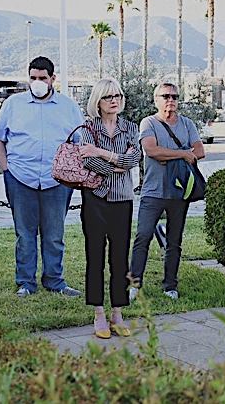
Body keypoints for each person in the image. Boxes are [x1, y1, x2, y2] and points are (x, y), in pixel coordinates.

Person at [0, 56, 83, 297]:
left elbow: (80, 142)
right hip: (21, 178)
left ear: (53, 79)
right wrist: (6, 169)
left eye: (42, 78)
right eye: (33, 78)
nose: (37, 82)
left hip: (57, 181)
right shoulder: (13, 104)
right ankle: (25, 283)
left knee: (54, 235)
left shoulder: (69, 106)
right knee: (24, 234)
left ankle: (54, 280)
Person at [76, 78, 141, 338]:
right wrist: (116, 163)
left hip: (122, 199)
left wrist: (105, 155)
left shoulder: (130, 127)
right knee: (95, 257)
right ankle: (98, 313)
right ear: (98, 102)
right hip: (95, 198)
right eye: (108, 97)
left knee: (119, 257)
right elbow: (87, 161)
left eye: (118, 95)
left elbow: (133, 159)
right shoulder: (88, 128)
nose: (114, 100)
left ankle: (117, 312)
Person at [130, 82, 205, 301]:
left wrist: (172, 154)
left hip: (179, 192)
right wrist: (183, 154)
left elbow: (199, 151)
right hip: (153, 192)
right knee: (142, 237)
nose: (170, 100)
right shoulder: (149, 123)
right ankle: (134, 284)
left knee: (174, 241)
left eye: (174, 96)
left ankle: (170, 286)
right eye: (165, 96)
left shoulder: (187, 124)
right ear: (156, 99)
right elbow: (152, 151)